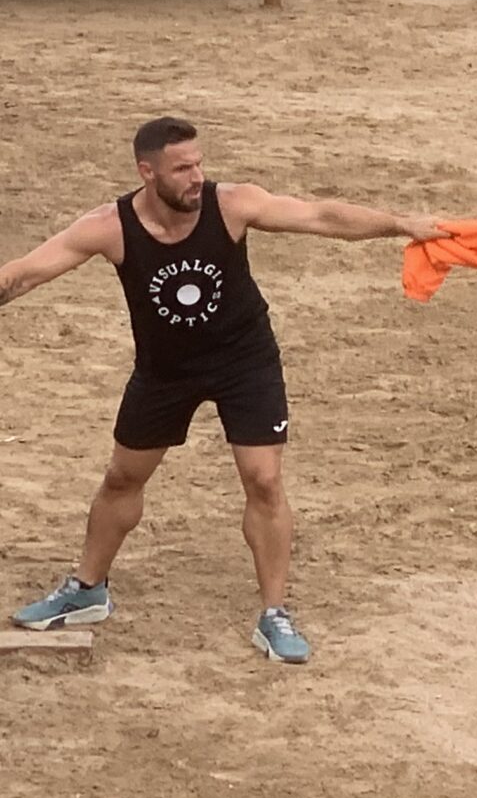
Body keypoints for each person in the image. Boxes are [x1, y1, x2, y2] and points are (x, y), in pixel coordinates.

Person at [2, 117, 440, 663]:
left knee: (263, 479)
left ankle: (274, 614)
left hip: (244, 362)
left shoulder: (231, 204)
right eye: (182, 168)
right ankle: (88, 589)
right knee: (122, 477)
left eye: (199, 164)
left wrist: (401, 224)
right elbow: (24, 273)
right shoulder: (109, 227)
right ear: (147, 172)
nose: (196, 177)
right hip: (165, 371)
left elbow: (320, 215)